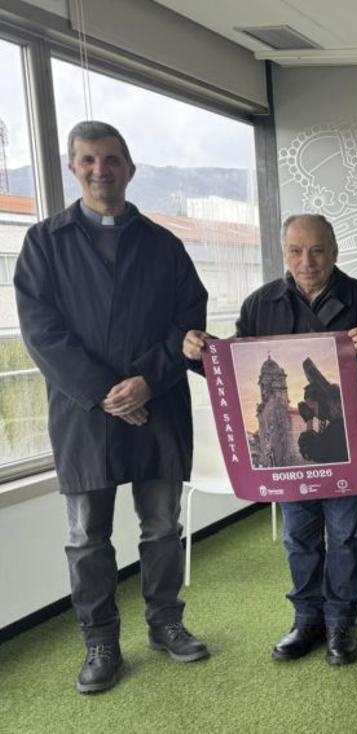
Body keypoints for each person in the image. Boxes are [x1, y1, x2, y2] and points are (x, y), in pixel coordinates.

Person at [13, 121, 209, 694]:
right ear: (74, 168)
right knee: (85, 538)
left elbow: (188, 323)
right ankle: (100, 640)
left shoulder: (164, 245)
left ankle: (165, 623)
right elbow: (42, 333)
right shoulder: (44, 244)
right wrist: (107, 393)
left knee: (162, 527)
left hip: (159, 408)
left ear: (130, 168)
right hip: (83, 415)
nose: (101, 170)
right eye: (89, 160)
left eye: (112, 159)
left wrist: (147, 381)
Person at [182, 214, 357, 666]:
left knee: (346, 538)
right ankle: (306, 620)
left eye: (316, 250)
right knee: (299, 538)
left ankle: (341, 624)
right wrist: (201, 353)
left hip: (350, 449)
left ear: (334, 251)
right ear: (284, 254)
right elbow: (234, 365)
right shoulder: (260, 304)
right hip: (289, 455)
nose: (306, 261)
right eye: (296, 251)